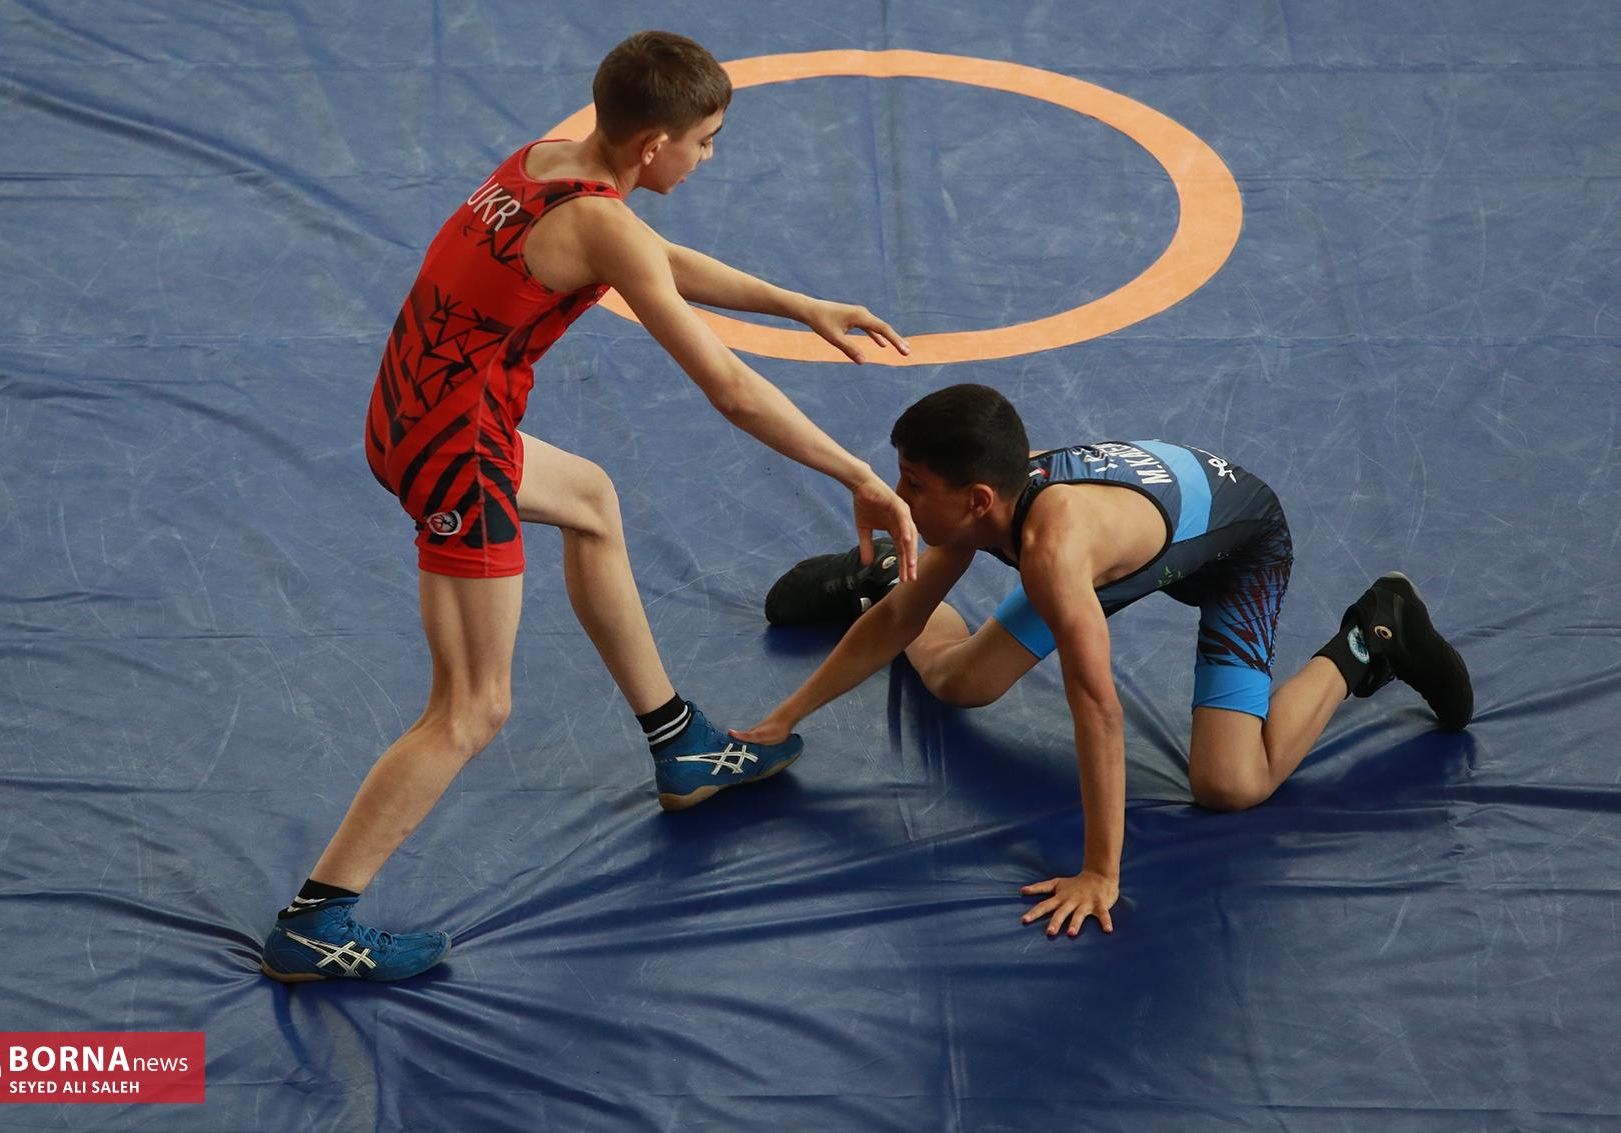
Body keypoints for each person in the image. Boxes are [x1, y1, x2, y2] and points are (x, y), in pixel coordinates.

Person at [261, 31, 918, 983]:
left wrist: (796, 303)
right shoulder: (604, 226)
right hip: (457, 457)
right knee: (472, 706)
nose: (709, 156)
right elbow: (731, 391)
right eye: (705, 140)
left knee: (591, 500)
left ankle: (678, 741)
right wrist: (858, 474)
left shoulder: (545, 160)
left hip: (409, 410)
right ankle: (315, 920)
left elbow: (653, 255)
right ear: (653, 144)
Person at [735, 383, 1472, 939]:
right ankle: (881, 573)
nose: (898, 496)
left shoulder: (1053, 554)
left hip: (1239, 545)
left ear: (978, 499)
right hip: (1148, 519)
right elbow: (905, 620)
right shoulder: (988, 502)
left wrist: (1099, 872)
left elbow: (1098, 709)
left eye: (914, 486)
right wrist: (782, 719)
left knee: (1230, 784)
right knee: (960, 682)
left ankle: (1374, 631)